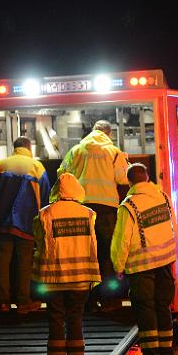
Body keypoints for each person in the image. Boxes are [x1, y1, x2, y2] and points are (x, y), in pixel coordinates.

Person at [32, 173, 100, 355]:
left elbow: (39, 245)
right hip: (80, 280)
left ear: (56, 191)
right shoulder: (89, 214)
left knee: (55, 323)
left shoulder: (44, 215)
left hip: (54, 280)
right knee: (75, 322)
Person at [56, 120, 130, 311]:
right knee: (106, 254)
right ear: (109, 133)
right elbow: (123, 177)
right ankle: (108, 300)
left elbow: (62, 173)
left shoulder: (76, 150)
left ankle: (87, 302)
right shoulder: (113, 151)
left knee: (86, 255)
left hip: (81, 209)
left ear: (92, 132)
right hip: (106, 210)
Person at [111, 163, 177, 355]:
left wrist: (118, 266)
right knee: (163, 307)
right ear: (147, 177)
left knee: (146, 310)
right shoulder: (163, 197)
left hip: (141, 268)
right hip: (165, 262)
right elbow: (172, 225)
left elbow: (122, 240)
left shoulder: (129, 206)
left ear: (130, 182)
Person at [0, 136, 50, 314]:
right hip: (27, 222)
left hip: (2, 223)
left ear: (14, 147)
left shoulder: (1, 165)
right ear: (29, 147)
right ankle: (23, 302)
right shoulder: (36, 167)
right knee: (24, 262)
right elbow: (45, 198)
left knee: (3, 261)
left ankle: (4, 303)